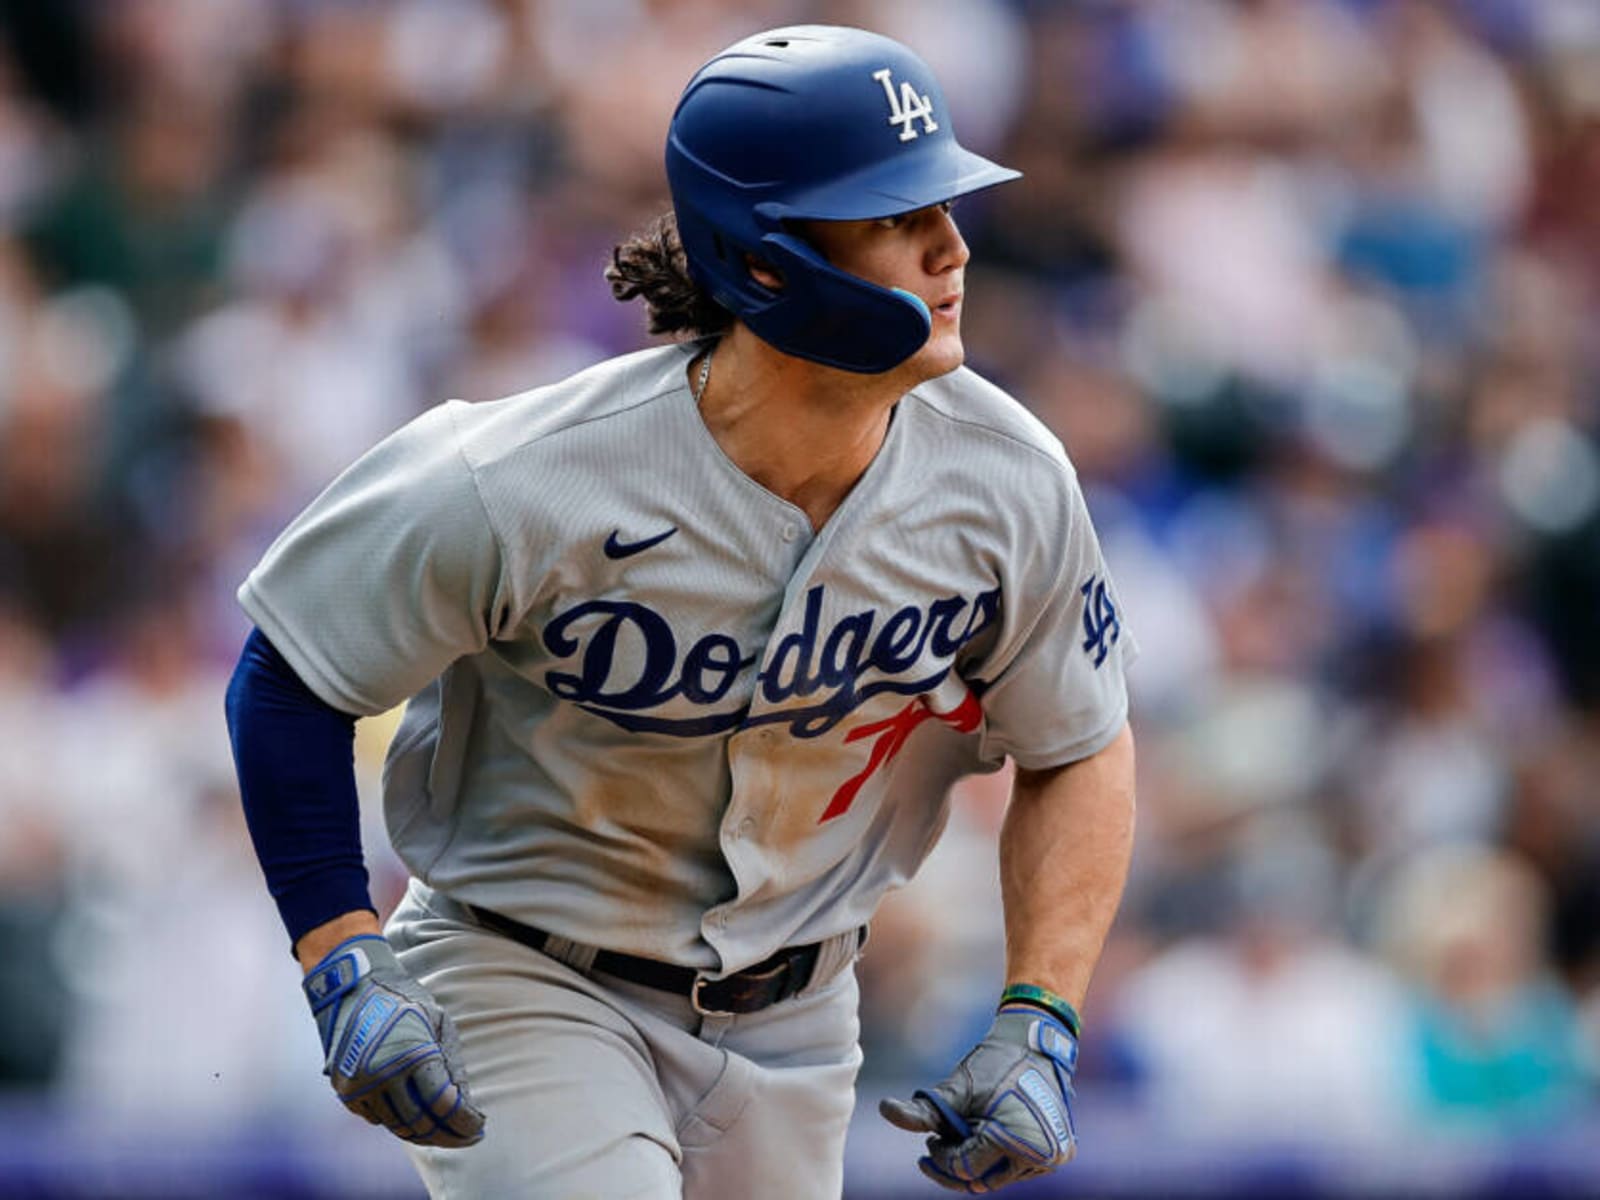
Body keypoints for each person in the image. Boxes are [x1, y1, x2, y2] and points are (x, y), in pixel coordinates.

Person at [225, 24, 1137, 1199]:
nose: (951, 246)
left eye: (946, 206)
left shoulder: (1008, 478)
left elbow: (1079, 742)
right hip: (526, 973)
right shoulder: (524, 475)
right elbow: (293, 671)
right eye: (896, 215)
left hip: (802, 1018)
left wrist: (1043, 1014)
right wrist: (339, 951)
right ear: (765, 263)